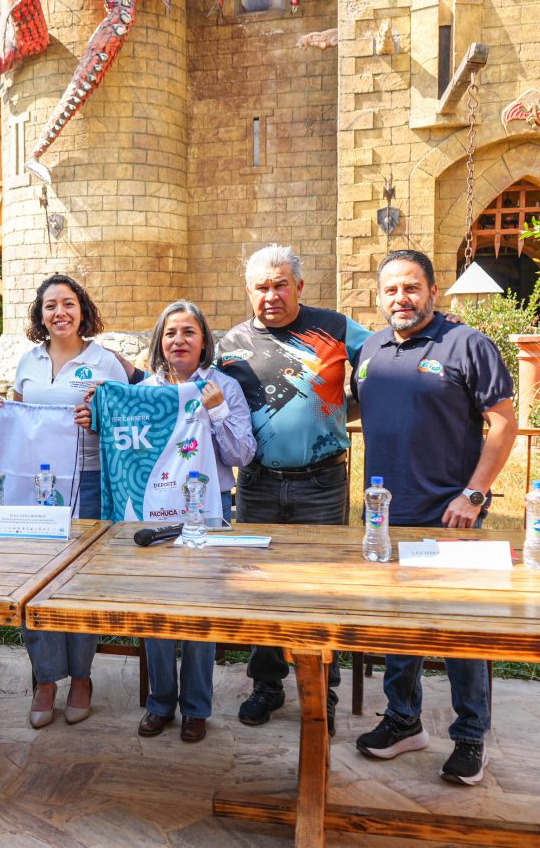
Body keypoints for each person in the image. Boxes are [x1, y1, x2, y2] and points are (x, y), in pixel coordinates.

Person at [351, 248, 517, 786]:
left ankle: (470, 736)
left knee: (462, 630)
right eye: (391, 290)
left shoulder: (466, 343)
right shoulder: (372, 349)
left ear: (432, 291)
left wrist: (474, 494)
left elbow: (504, 423)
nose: (402, 298)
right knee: (400, 625)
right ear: (379, 297)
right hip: (387, 516)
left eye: (411, 287)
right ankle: (403, 721)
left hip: (451, 518)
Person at [79, 299, 255, 742]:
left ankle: (196, 708)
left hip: (207, 515)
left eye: (188, 332)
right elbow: (126, 443)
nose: (178, 340)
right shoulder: (144, 392)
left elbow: (242, 455)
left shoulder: (223, 386)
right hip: (151, 518)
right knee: (154, 613)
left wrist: (215, 411)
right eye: (170, 333)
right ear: (160, 342)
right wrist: (99, 414)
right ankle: (160, 703)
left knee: (198, 614)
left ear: (203, 341)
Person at [216, 244, 371, 734]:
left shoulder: (337, 328)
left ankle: (320, 687)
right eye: (261, 287)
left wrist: (341, 414)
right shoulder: (229, 345)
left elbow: (386, 358)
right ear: (248, 291)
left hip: (323, 483)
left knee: (321, 590)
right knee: (262, 586)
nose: (271, 295)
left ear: (299, 286)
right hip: (258, 484)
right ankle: (267, 684)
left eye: (280, 284)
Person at [0, 273, 140, 728]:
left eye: (68, 303)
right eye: (51, 305)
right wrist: (2, 412)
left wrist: (96, 419)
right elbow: (19, 415)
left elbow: (129, 417)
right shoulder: (27, 361)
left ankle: (80, 677)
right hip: (33, 488)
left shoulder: (106, 362)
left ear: (82, 310)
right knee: (34, 580)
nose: (60, 312)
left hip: (89, 480)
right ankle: (46, 678)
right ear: (39, 314)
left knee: (79, 583)